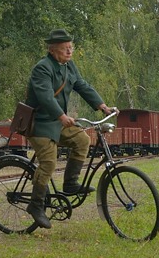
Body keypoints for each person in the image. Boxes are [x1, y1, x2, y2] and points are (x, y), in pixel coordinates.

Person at [24, 28, 110, 229]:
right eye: (65, 48)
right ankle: (36, 206)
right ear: (53, 50)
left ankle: (70, 184)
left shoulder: (69, 66)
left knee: (82, 140)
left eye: (71, 47)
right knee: (49, 164)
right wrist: (61, 115)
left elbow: (82, 85)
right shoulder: (42, 68)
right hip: (41, 124)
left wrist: (102, 105)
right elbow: (45, 96)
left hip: (57, 122)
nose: (69, 52)